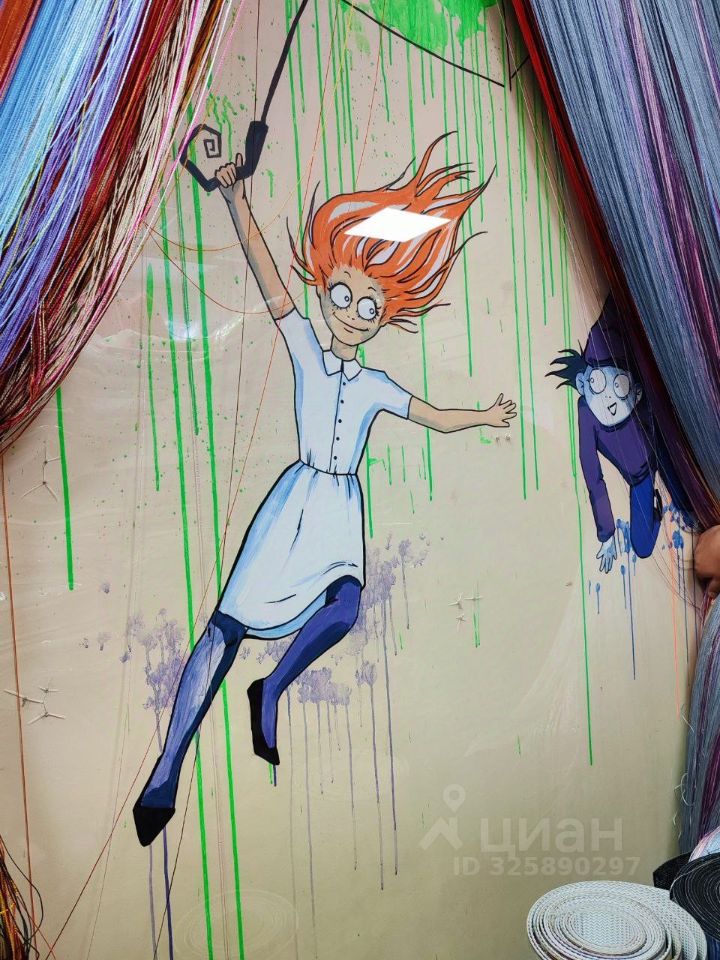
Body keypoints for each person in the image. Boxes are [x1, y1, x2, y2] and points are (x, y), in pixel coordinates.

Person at [133, 134, 516, 846]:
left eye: (368, 305)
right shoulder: (306, 346)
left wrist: (485, 416)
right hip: (294, 505)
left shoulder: (375, 384)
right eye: (343, 293)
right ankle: (167, 768)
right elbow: (265, 274)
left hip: (339, 508)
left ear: (385, 316)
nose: (351, 310)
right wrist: (235, 198)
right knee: (224, 630)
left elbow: (432, 415)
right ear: (323, 284)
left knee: (345, 605)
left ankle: (272, 687)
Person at [548, 296, 689, 573]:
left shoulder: (638, 390)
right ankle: (657, 508)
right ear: (583, 382)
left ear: (635, 389)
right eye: (598, 382)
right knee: (642, 545)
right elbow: (592, 472)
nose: (609, 398)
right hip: (640, 476)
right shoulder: (588, 411)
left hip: (661, 448)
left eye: (620, 385)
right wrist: (607, 532)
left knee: (689, 508)